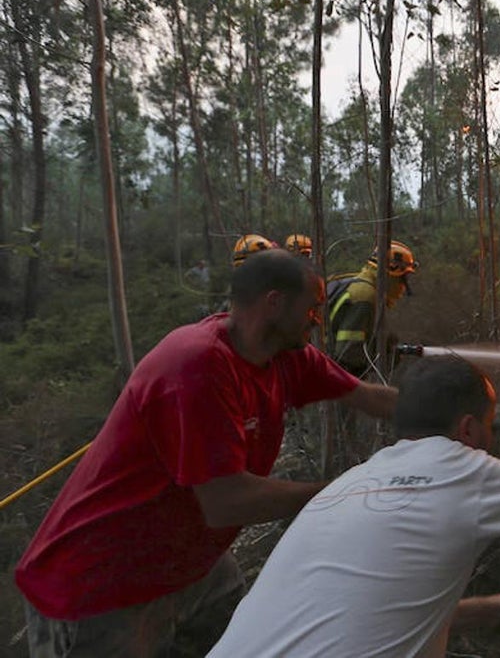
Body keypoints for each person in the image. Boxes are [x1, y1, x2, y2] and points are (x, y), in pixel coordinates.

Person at [14, 249, 399, 657]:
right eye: (313, 308)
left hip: (185, 565)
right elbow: (225, 502)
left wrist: (448, 408)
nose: (319, 319)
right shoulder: (197, 365)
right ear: (275, 303)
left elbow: (367, 396)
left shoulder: (286, 359)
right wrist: (345, 490)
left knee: (239, 627)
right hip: (100, 586)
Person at [208, 354, 500, 657]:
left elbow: (372, 611)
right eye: (488, 425)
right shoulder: (465, 468)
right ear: (467, 429)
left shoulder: (349, 484)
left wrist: (490, 609)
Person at [327, 240, 418, 378]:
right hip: (329, 380)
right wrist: (383, 357)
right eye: (403, 279)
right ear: (391, 274)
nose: (403, 287)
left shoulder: (355, 283)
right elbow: (348, 356)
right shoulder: (365, 296)